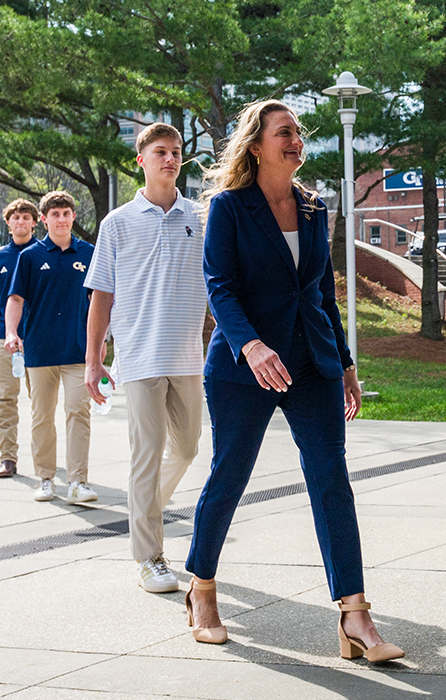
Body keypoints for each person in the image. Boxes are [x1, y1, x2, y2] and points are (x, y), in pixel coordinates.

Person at [183, 98, 402, 665]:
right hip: (244, 368)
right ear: (256, 145)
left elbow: (323, 292)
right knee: (230, 475)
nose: (296, 140)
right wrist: (251, 345)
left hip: (311, 365)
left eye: (298, 132)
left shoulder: (313, 207)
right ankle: (201, 589)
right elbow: (219, 286)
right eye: (284, 132)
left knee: (332, 480)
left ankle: (355, 615)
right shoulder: (229, 207)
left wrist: (346, 364)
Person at [84, 123, 207, 594]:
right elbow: (101, 295)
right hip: (138, 356)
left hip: (187, 356)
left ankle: (145, 510)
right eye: (160, 152)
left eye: (176, 152)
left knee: (188, 448)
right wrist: (93, 360)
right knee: (147, 454)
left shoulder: (201, 217)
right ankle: (149, 556)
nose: (170, 159)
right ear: (141, 160)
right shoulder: (117, 223)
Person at [3, 192, 97, 505]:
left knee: (78, 412)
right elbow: (16, 299)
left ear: (73, 217)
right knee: (42, 416)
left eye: (66, 213)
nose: (61, 219)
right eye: (55, 214)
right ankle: (45, 479)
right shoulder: (30, 256)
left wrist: (102, 341)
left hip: (78, 350)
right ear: (44, 219)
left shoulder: (89, 253)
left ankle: (78, 481)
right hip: (40, 351)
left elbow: (100, 300)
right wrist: (11, 332)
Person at [0, 199, 40, 478]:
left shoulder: (43, 253)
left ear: (35, 222)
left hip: (37, 338)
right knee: (5, 398)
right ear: (8, 223)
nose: (21, 222)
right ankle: (7, 457)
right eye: (16, 217)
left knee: (41, 401)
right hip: (6, 340)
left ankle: (43, 456)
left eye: (26, 217)